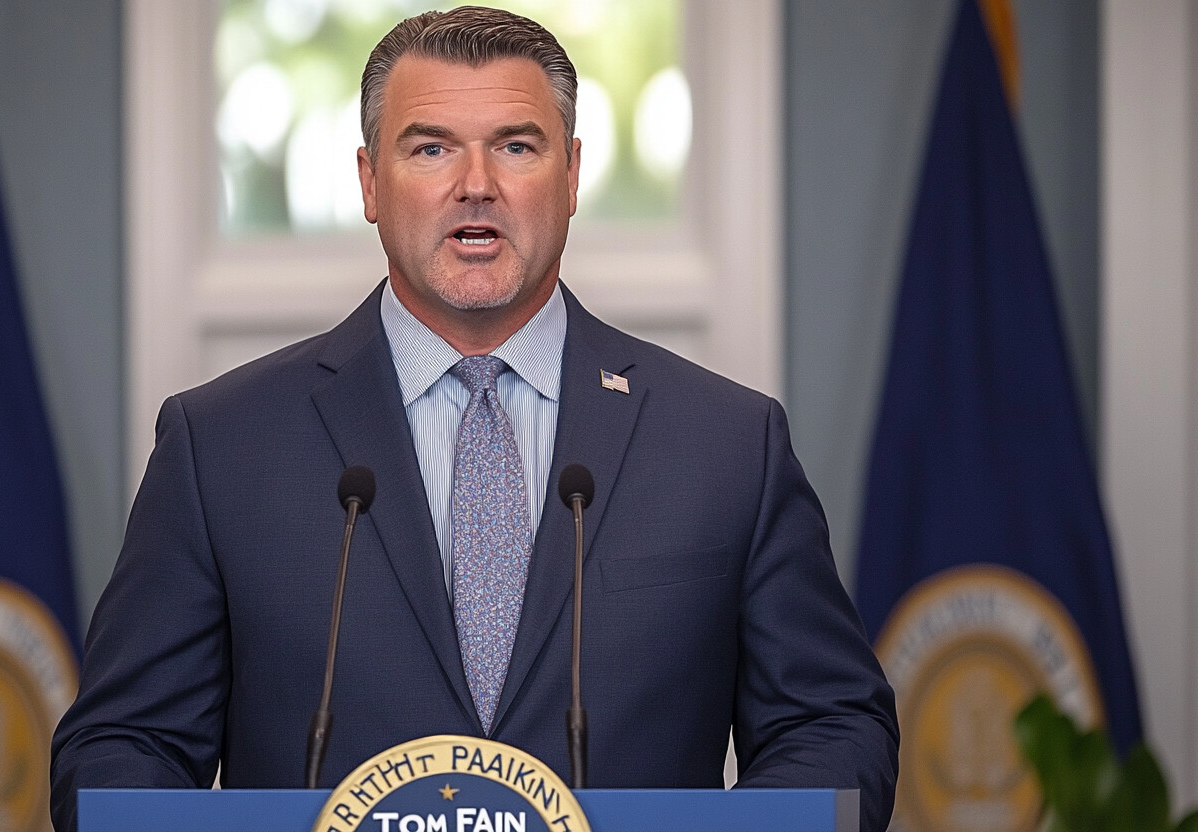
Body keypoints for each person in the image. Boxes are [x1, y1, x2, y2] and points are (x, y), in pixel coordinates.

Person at [51, 7, 898, 831]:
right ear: (369, 181)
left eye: (516, 147)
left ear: (569, 176)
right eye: (430, 148)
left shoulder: (725, 444)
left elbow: (832, 727)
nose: (477, 186)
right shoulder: (223, 446)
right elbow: (123, 746)